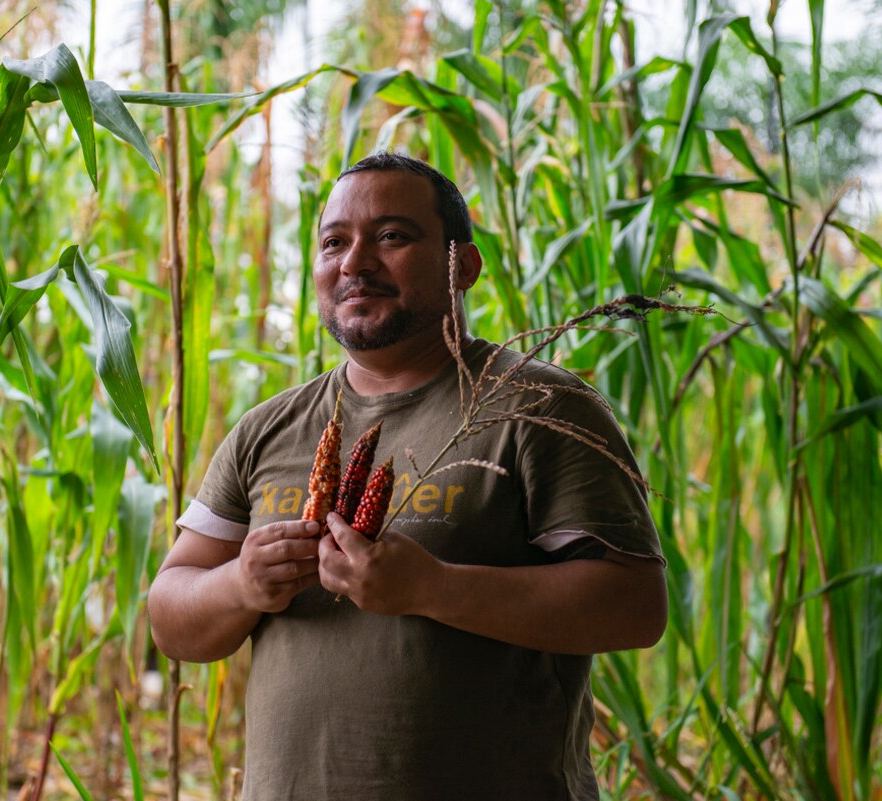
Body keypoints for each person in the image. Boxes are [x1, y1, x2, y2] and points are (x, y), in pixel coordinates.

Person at [148, 153, 667, 801]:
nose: (355, 261)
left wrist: (432, 587)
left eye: (392, 236)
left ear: (465, 266)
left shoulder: (543, 408)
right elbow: (170, 616)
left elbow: (636, 608)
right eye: (334, 242)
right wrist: (242, 582)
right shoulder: (267, 429)